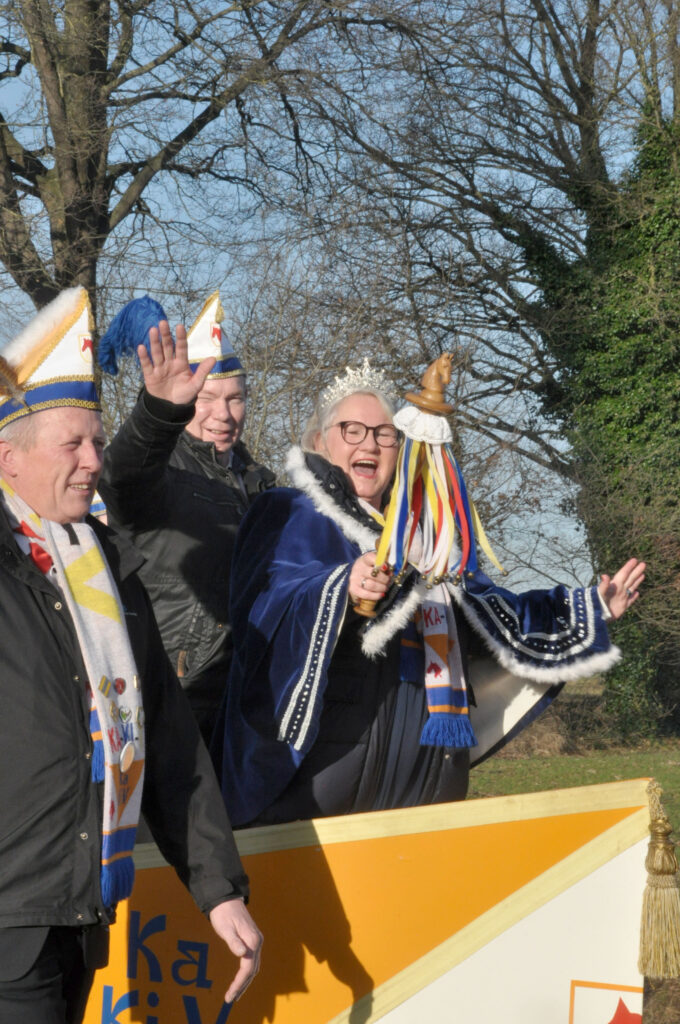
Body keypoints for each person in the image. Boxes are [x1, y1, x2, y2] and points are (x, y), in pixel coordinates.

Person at [215, 360, 645, 827]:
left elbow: (491, 613)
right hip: (329, 766)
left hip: (428, 760)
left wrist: (591, 606)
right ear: (320, 441)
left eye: (384, 434)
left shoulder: (427, 539)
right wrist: (341, 586)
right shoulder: (289, 510)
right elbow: (270, 601)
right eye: (352, 430)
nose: (370, 444)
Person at [0, 288, 262, 1024]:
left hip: (80, 914)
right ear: (6, 459)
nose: (91, 462)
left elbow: (170, 745)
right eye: (72, 445)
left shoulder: (106, 565)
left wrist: (218, 890)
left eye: (96, 439)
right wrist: (157, 417)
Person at [97, 293, 276, 745]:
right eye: (207, 398)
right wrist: (159, 412)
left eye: (236, 399)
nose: (223, 414)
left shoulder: (263, 485)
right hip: (181, 699)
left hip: (253, 697)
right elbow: (122, 474)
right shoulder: (161, 474)